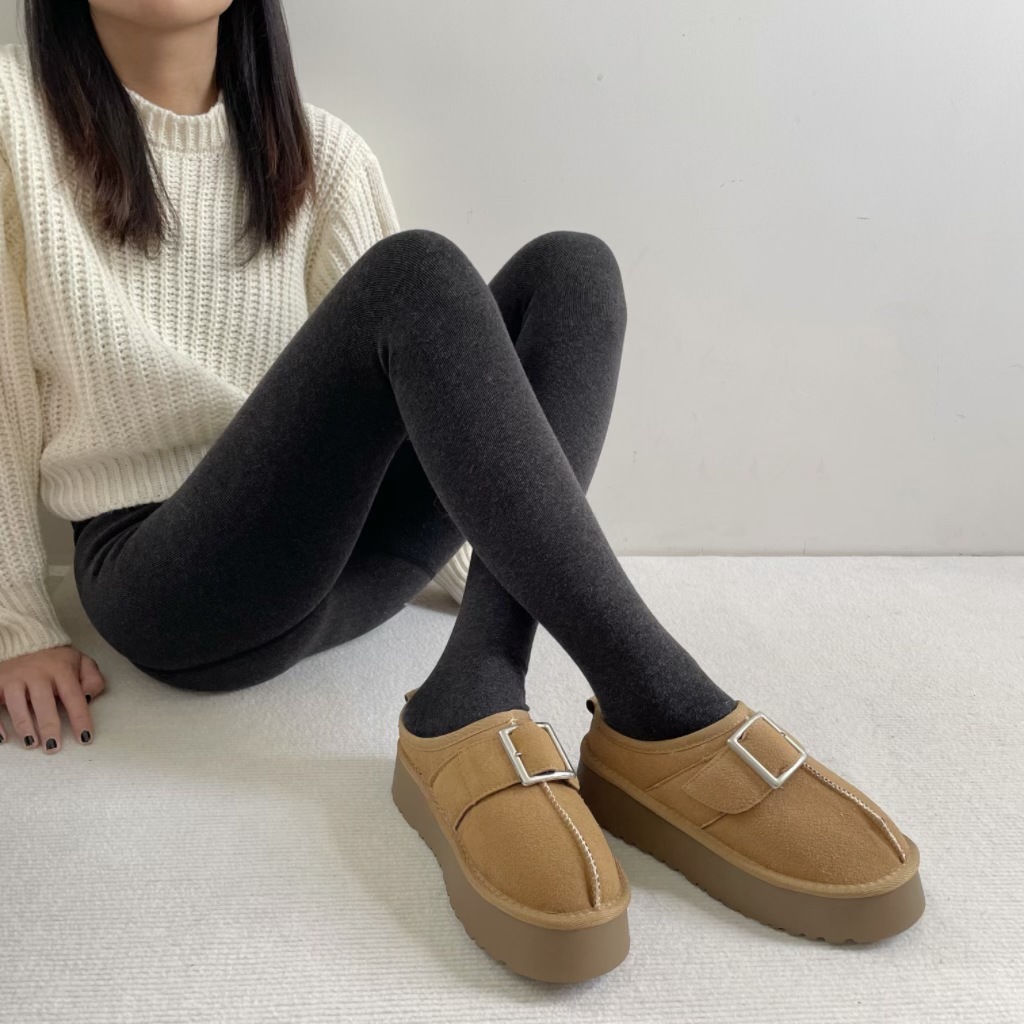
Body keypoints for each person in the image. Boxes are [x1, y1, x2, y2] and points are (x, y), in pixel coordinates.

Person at [0, 0, 925, 983]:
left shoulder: (319, 152)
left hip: (338, 566)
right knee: (417, 276)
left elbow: (414, 389)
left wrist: (490, 553)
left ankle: (475, 685)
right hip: (172, 579)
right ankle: (661, 705)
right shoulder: (15, 123)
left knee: (574, 271)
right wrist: (16, 617)